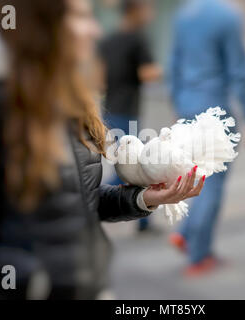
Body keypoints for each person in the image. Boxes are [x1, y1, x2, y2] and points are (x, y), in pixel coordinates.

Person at [0, 0, 204, 299]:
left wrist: (143, 198)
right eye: (80, 16)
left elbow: (79, 203)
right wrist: (17, 274)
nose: (94, 29)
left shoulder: (69, 95)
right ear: (40, 21)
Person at [168, 0, 245, 276]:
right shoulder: (229, 17)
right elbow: (239, 70)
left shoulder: (183, 15)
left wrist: (177, 106)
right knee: (213, 182)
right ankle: (198, 255)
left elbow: (174, 64)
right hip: (215, 110)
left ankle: (187, 234)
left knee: (200, 176)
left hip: (188, 107)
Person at [99, 0, 162, 233]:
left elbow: (99, 77)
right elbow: (148, 74)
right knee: (129, 168)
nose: (150, 12)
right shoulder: (138, 39)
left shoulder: (108, 40)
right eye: (147, 7)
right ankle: (87, 205)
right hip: (128, 111)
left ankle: (144, 221)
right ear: (135, 11)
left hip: (109, 110)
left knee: (129, 165)